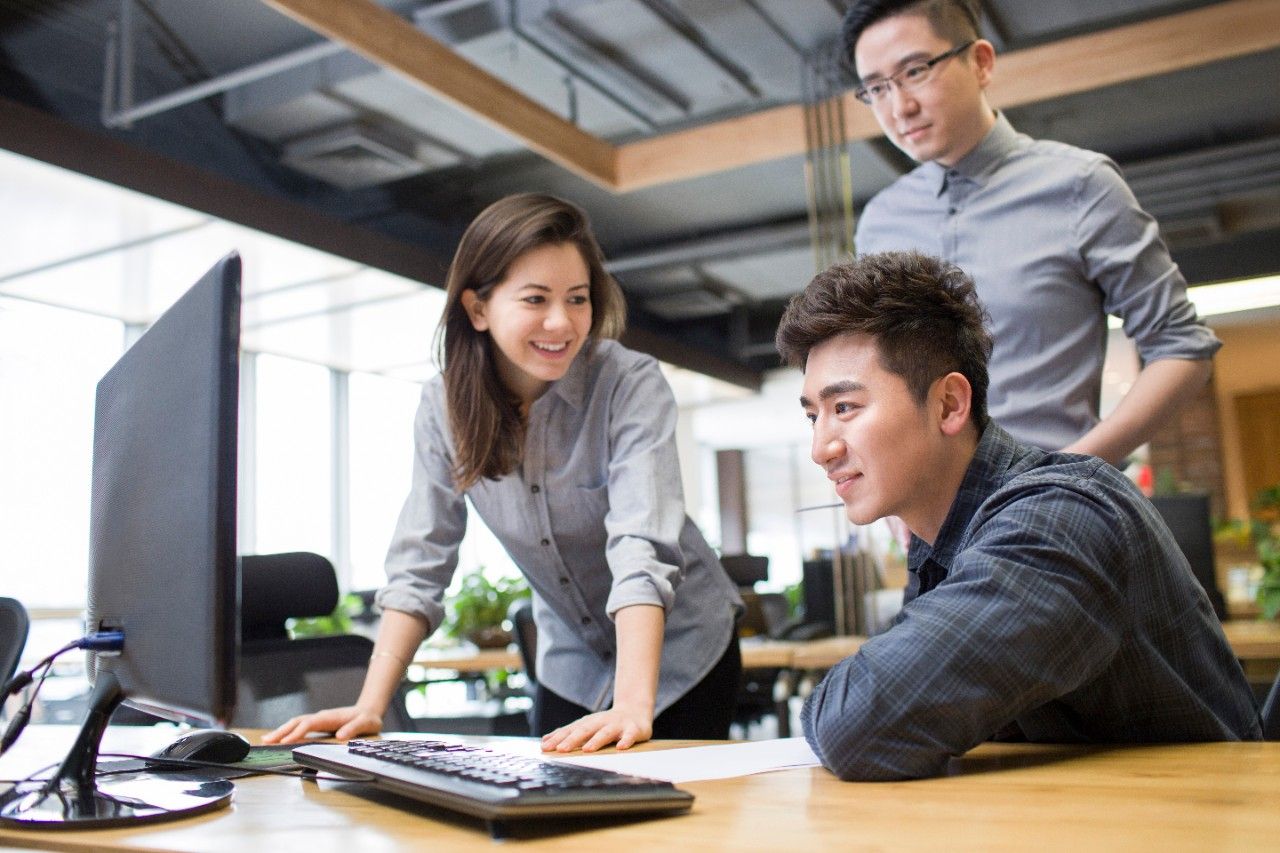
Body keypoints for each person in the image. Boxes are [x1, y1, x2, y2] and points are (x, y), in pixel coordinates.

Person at [265, 193, 742, 752]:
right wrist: (371, 706)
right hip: (573, 665)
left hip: (682, 655)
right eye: (535, 299)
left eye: (578, 299)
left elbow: (641, 545)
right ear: (478, 309)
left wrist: (633, 707)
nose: (561, 322)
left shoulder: (628, 384)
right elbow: (422, 560)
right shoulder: (445, 409)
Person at [774, 250, 1261, 782]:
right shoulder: (939, 540)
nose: (821, 448)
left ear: (949, 405)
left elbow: (860, 724)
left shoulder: (1060, 516)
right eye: (813, 416)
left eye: (844, 408)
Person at [843, 0, 1221, 464]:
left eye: (917, 70)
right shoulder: (881, 221)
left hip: (1054, 511)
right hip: (931, 526)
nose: (900, 107)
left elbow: (1181, 344)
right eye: (877, 88)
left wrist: (1073, 471)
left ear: (980, 62)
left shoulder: (1080, 185)